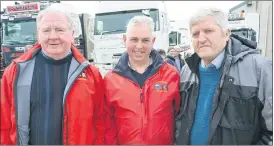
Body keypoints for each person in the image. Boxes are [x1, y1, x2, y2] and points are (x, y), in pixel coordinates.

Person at [0, 5, 105, 145]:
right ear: (38, 33)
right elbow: (4, 124)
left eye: (60, 30)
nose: (53, 36)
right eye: (46, 30)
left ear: (72, 34)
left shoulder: (91, 75)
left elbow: (101, 124)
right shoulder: (15, 72)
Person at [176, 7, 272, 145]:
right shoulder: (187, 70)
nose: (201, 39)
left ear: (226, 34)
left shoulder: (260, 69)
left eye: (208, 31)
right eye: (195, 34)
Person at [104, 15, 181, 144]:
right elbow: (107, 123)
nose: (139, 46)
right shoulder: (110, 80)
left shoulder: (171, 75)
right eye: (134, 39)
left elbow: (179, 114)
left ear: (153, 41)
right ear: (125, 39)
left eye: (145, 40)